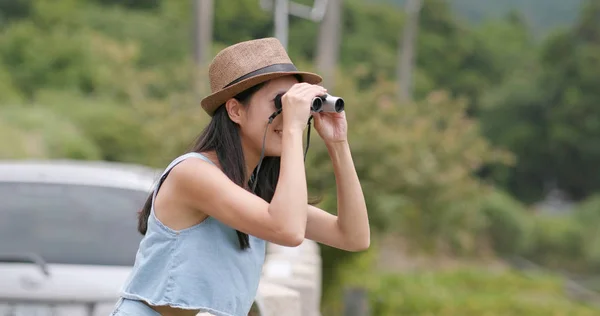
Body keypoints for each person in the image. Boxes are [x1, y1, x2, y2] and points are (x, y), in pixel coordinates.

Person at [110, 37, 370, 316]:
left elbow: (353, 237)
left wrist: (338, 144)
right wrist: (293, 129)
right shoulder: (193, 173)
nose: (289, 114)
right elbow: (289, 231)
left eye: (295, 104)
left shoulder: (254, 193)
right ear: (235, 110)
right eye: (280, 103)